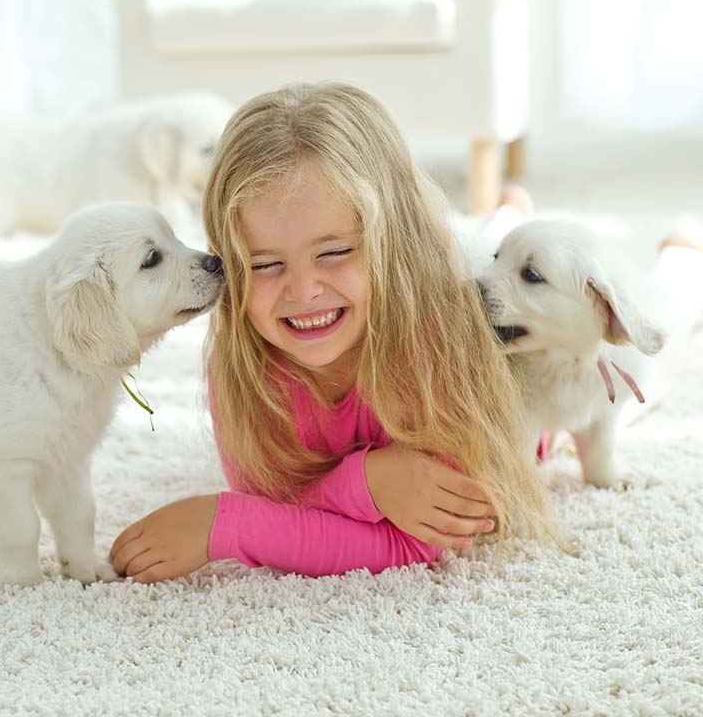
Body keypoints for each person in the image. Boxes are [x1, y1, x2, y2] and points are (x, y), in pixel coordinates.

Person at [109, 82, 562, 583]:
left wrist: (228, 525)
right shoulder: (245, 362)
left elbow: (419, 539)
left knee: (520, 259)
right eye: (264, 263)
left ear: (397, 244)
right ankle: (505, 213)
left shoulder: (441, 341)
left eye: (334, 253)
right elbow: (277, 500)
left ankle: (536, 221)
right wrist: (367, 482)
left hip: (520, 330)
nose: (302, 292)